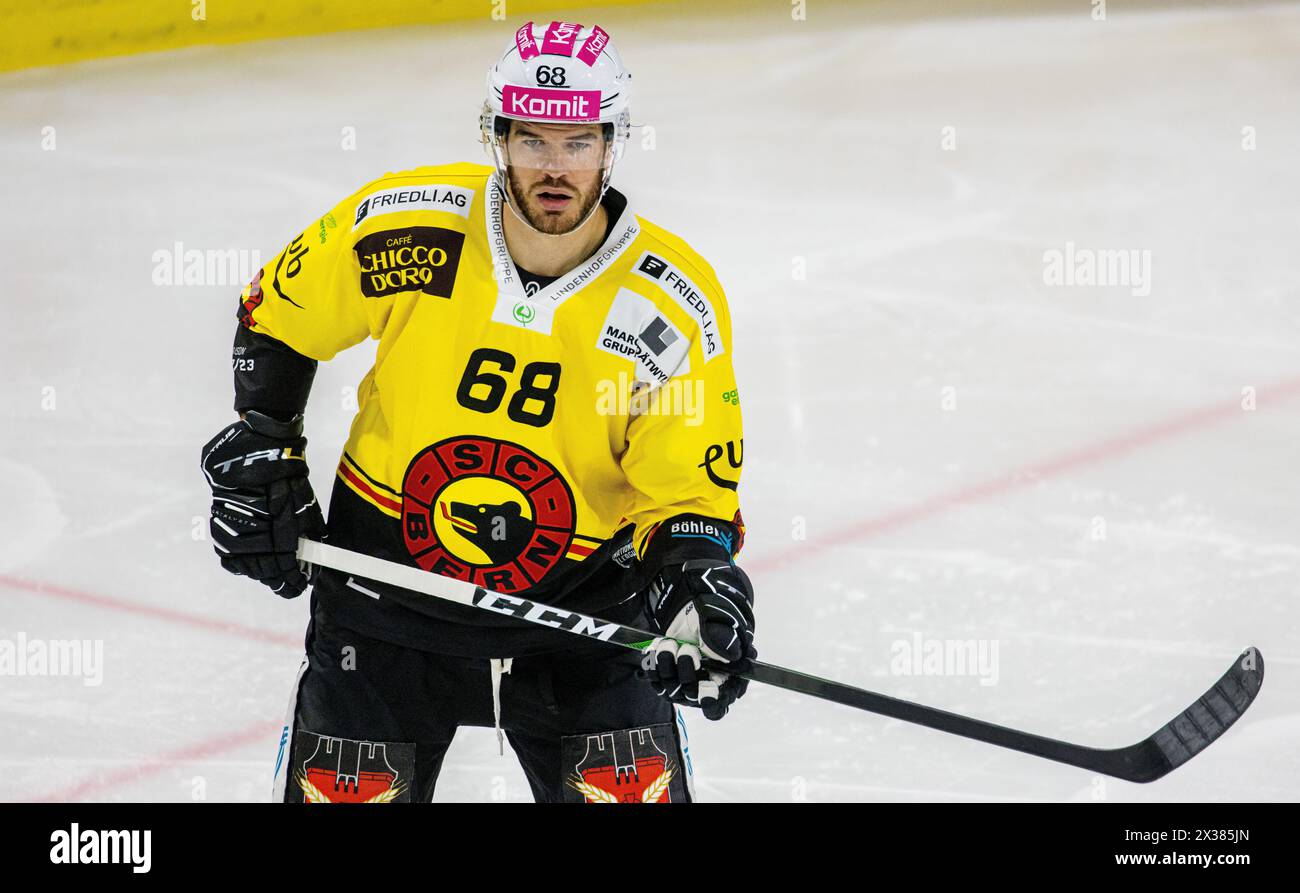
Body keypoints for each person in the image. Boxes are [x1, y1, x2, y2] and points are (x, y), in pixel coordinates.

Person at [200, 20, 755, 804]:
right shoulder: (406, 225)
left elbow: (689, 494)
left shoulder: (668, 304)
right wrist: (267, 446)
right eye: (531, 140)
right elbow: (277, 312)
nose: (553, 168)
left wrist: (698, 582)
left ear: (611, 141)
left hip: (582, 623)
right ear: (497, 136)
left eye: (576, 142)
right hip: (380, 605)